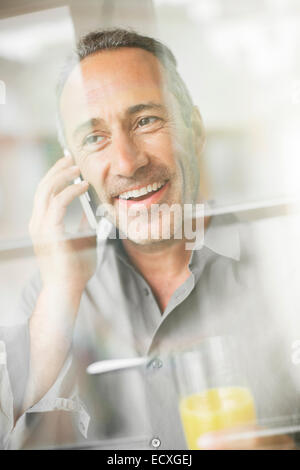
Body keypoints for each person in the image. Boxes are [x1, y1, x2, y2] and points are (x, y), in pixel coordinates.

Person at [1, 28, 299, 450]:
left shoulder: (286, 267)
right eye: (94, 137)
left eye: (145, 120)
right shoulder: (50, 300)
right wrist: (59, 298)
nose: (127, 161)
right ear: (74, 168)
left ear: (194, 129)